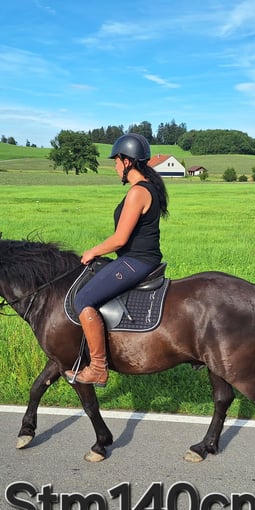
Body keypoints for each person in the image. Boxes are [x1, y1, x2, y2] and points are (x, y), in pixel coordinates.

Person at [66, 132, 170, 386]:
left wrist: (93, 251)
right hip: (139, 258)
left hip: (136, 261)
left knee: (83, 299)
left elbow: (120, 239)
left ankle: (98, 367)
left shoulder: (138, 192)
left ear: (127, 161)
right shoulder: (148, 187)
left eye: (116, 161)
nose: (114, 166)